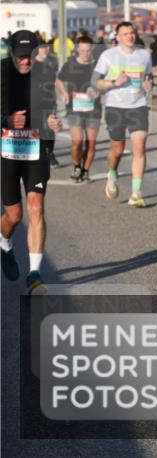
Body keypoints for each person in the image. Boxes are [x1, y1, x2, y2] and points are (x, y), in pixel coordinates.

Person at [1, 30, 63, 291]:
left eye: (30, 56)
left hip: (34, 148)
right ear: (11, 53)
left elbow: (48, 110)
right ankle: (4, 244)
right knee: (14, 215)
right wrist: (6, 121)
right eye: (21, 56)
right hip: (6, 151)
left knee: (36, 207)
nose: (26, 62)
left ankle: (35, 274)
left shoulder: (45, 72)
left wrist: (52, 123)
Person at [93, 21, 154, 208]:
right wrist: (114, 82)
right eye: (125, 33)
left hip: (138, 106)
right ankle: (112, 173)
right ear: (118, 37)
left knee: (139, 148)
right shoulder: (108, 56)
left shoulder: (144, 55)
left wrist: (149, 84)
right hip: (115, 107)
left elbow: (149, 76)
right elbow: (95, 81)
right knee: (117, 150)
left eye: (132, 33)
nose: (130, 36)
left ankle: (136, 193)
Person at [56, 35, 101, 184]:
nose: (85, 53)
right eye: (82, 50)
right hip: (74, 108)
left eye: (88, 51)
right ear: (77, 50)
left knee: (91, 143)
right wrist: (63, 93)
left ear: (92, 49)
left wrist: (100, 92)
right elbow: (59, 80)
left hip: (93, 109)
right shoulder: (70, 64)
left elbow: (106, 84)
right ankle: (76, 167)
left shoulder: (99, 66)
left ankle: (86, 171)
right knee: (77, 141)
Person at [33, 39, 61, 168]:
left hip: (50, 102)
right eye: (43, 47)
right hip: (34, 101)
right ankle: (37, 154)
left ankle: (50, 153)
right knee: (36, 129)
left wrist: (64, 92)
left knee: (50, 129)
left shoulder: (51, 63)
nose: (47, 49)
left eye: (47, 47)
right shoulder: (32, 64)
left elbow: (56, 80)